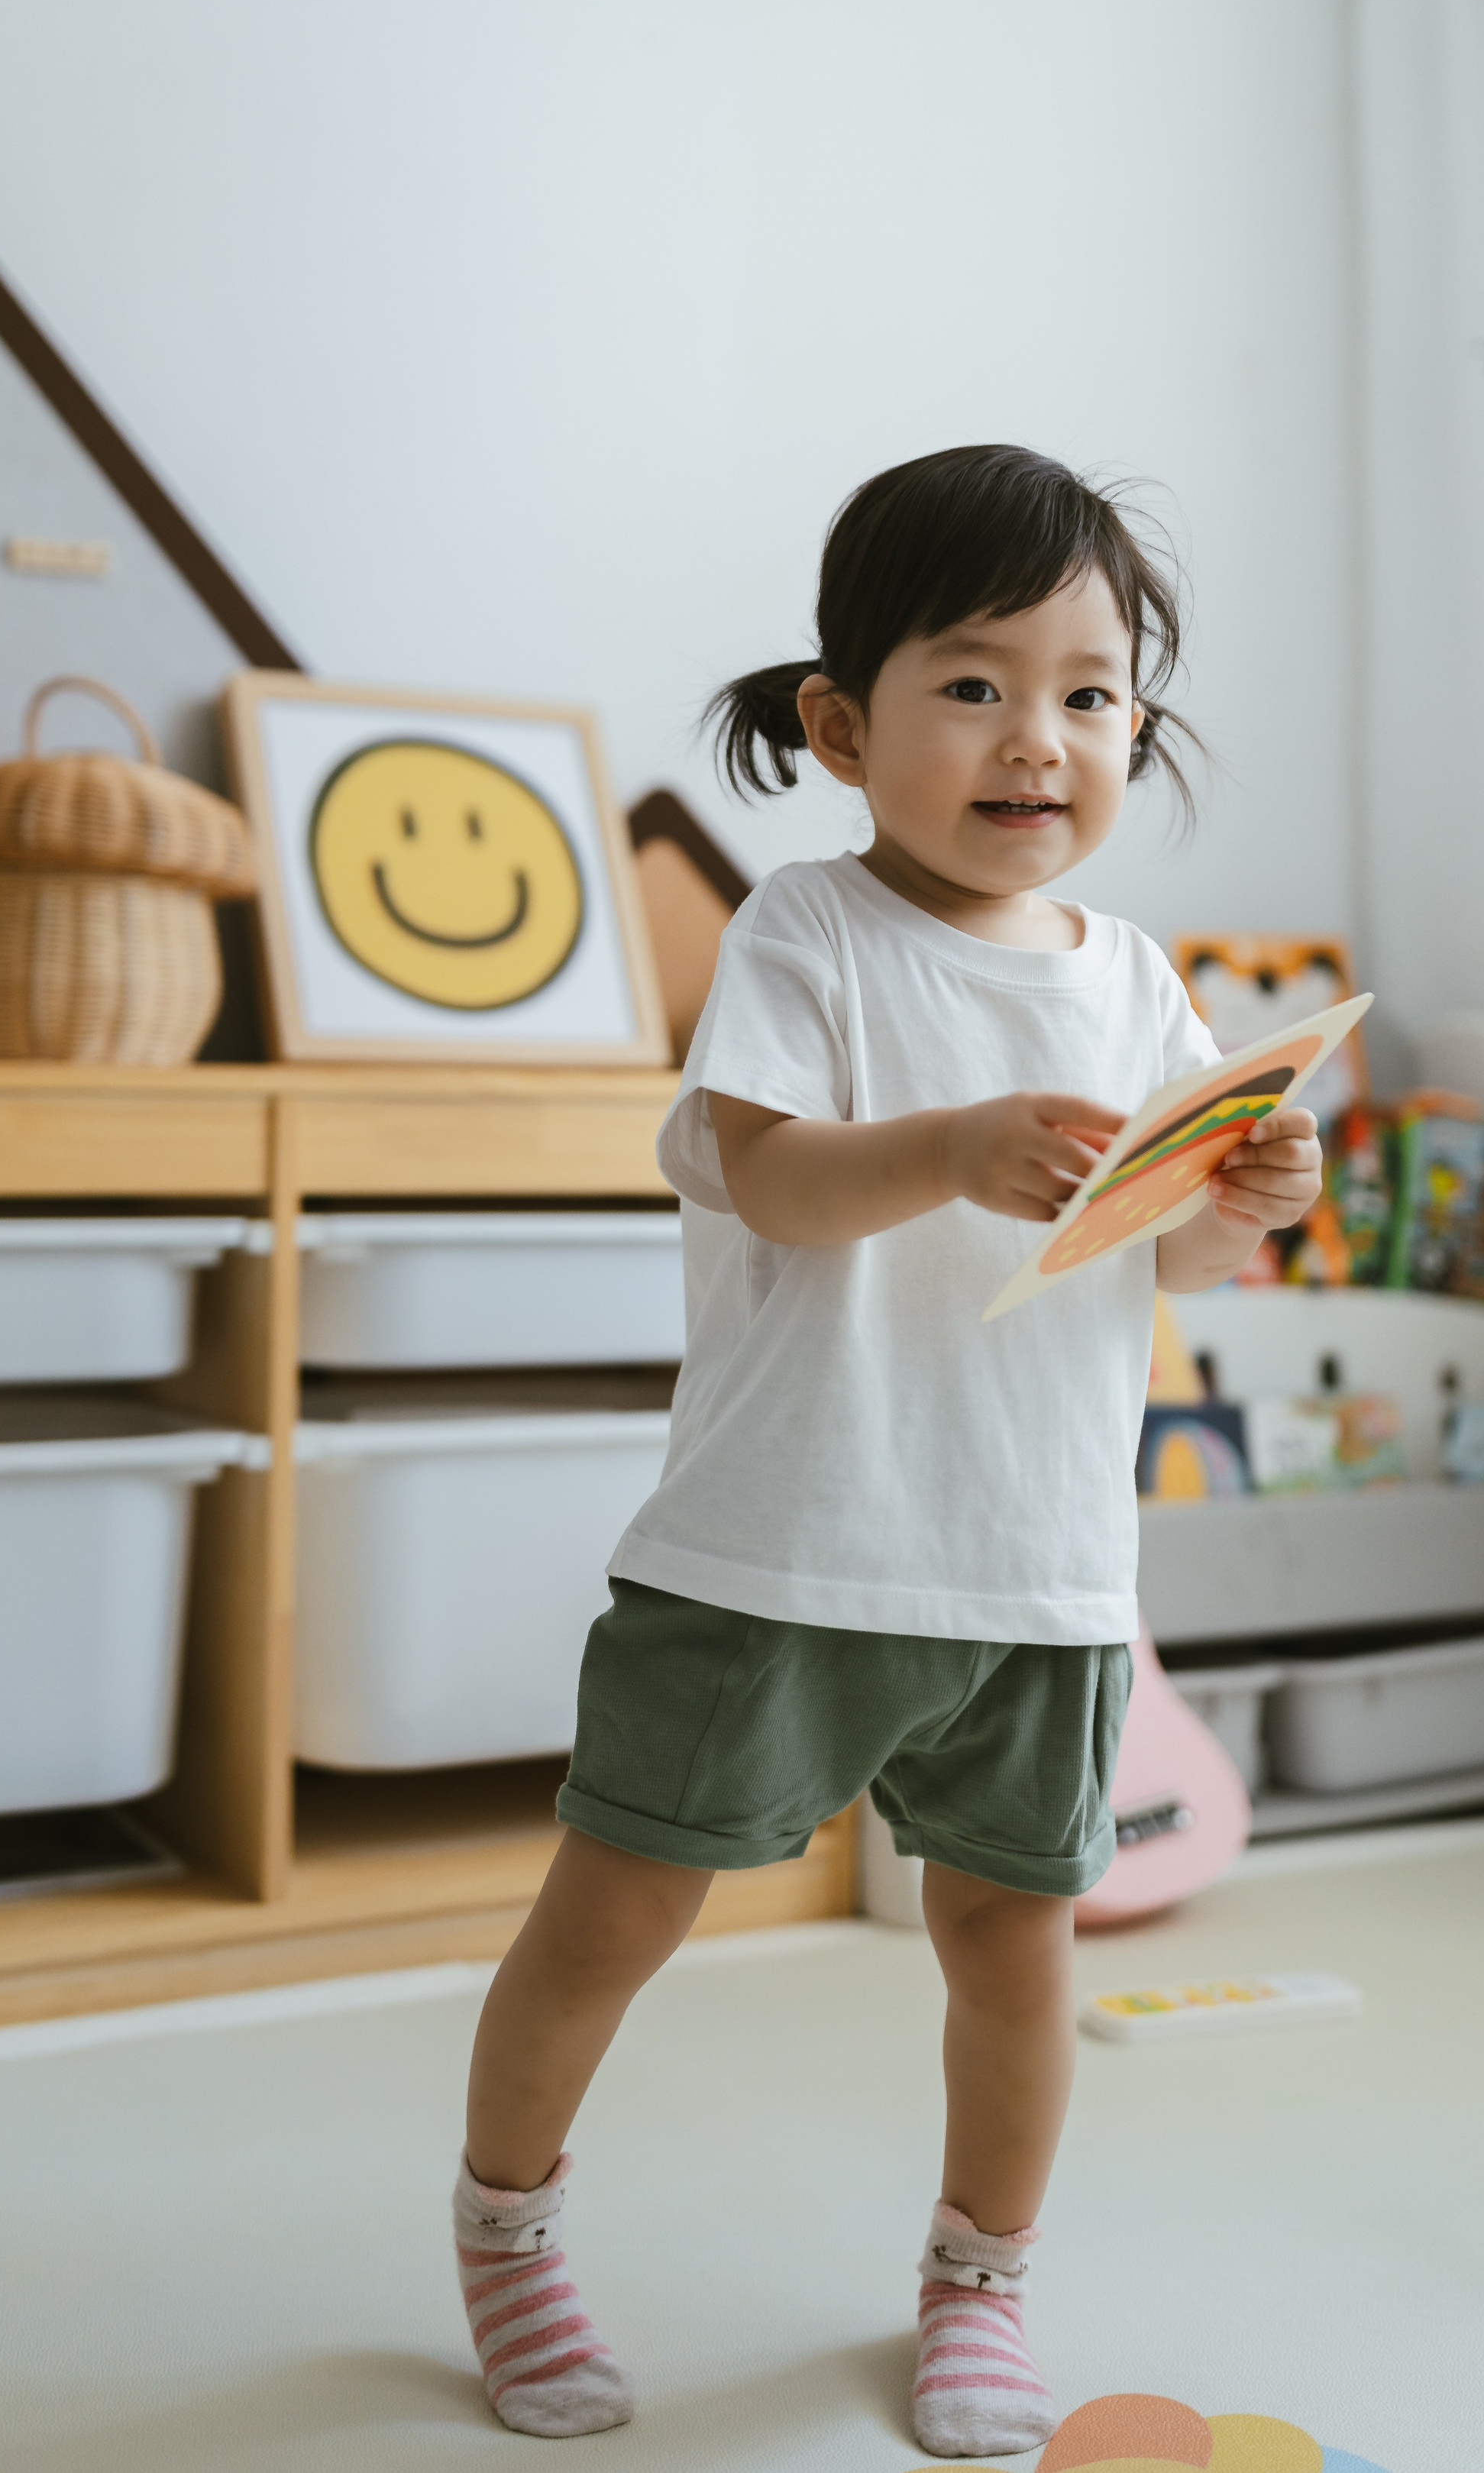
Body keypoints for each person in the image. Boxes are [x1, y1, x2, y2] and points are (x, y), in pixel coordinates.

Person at [451, 444, 1323, 2453]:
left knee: (1014, 1953)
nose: (1043, 739)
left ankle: (979, 2280)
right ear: (843, 726)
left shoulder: (1145, 984)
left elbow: (1170, 1253)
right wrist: (947, 1147)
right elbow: (771, 1185)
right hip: (775, 1559)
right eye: (977, 685)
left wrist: (1240, 1199)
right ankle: (508, 2227)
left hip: (1033, 1574)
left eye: (1092, 693)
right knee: (612, 1918)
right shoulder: (810, 935)